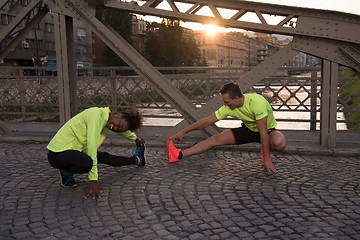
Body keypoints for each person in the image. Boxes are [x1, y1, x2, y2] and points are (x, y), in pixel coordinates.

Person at [167, 82, 286, 173]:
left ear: (237, 99)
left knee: (279, 143)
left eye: (227, 101)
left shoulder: (256, 103)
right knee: (213, 140)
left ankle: (265, 150)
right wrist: (183, 131)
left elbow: (263, 132)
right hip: (248, 130)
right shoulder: (228, 107)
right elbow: (207, 121)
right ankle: (178, 155)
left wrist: (266, 159)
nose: (224, 104)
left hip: (267, 131)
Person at [47, 107, 145, 199]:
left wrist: (136, 139)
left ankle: (136, 160)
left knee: (104, 157)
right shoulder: (95, 115)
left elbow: (123, 131)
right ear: (118, 115)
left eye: (118, 129)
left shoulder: (107, 120)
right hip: (57, 154)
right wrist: (93, 180)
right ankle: (66, 171)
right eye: (118, 125)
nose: (115, 128)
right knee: (87, 163)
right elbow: (91, 146)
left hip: (73, 151)